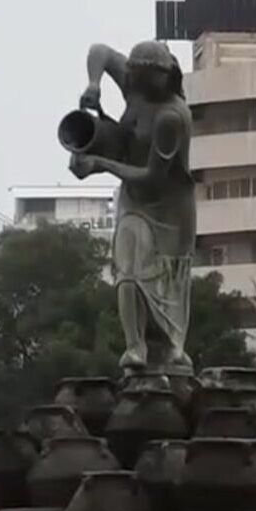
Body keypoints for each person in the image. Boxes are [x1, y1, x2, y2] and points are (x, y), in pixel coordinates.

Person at [72, 39, 196, 376]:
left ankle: (173, 346)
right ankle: (134, 345)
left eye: (149, 78)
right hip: (134, 199)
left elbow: (153, 176)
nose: (139, 83)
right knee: (127, 268)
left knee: (167, 278)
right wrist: (94, 84)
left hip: (169, 206)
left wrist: (101, 164)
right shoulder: (135, 85)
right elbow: (99, 51)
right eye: (136, 76)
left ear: (165, 76)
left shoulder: (171, 116)